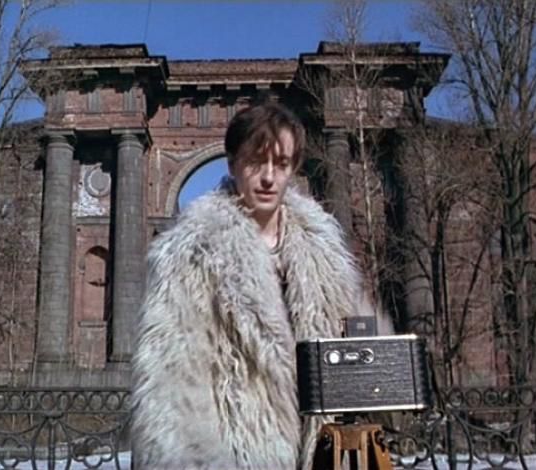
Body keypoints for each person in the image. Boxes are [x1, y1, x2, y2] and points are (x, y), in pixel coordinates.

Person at [130, 101, 374, 469]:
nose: (268, 177)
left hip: (320, 453)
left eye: (281, 163)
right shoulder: (190, 254)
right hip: (238, 453)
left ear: (294, 168)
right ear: (232, 165)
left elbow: (357, 353)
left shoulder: (324, 254)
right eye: (255, 162)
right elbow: (173, 385)